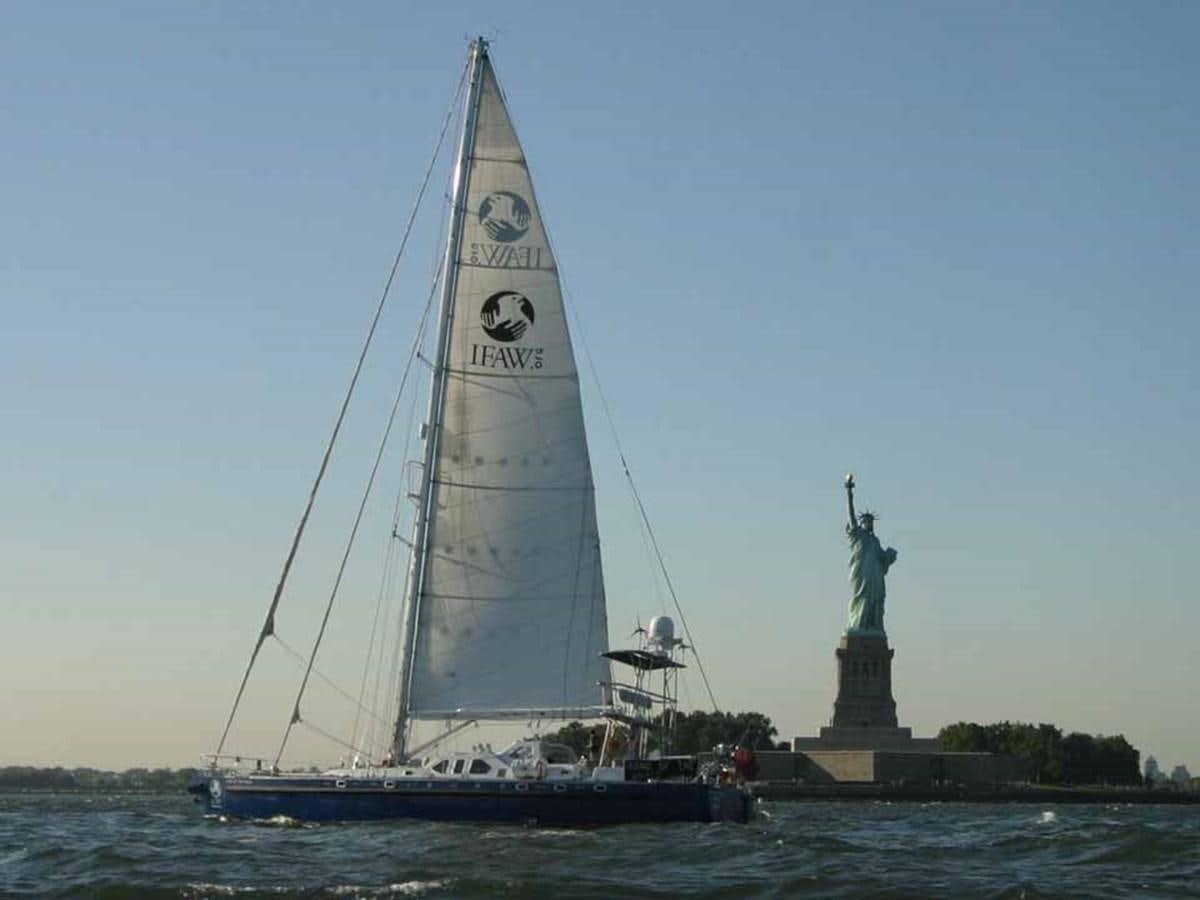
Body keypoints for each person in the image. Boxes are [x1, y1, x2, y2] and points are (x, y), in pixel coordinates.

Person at [844, 474, 898, 633]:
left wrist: (888, 557)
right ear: (861, 523)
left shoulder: (875, 541)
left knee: (876, 601)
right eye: (866, 521)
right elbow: (851, 515)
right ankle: (860, 626)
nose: (869, 523)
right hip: (862, 577)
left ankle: (873, 627)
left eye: (871, 521)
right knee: (862, 600)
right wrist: (849, 492)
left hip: (875, 578)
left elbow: (882, 560)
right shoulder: (858, 536)